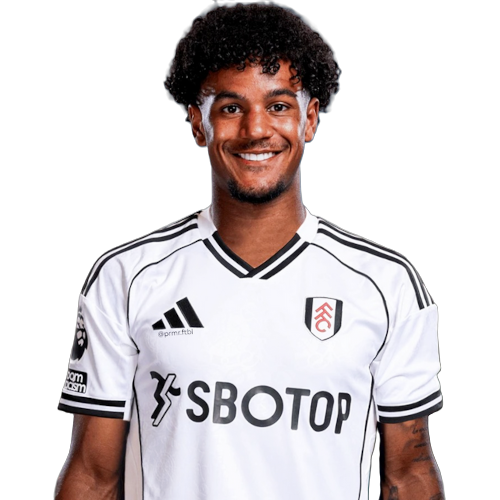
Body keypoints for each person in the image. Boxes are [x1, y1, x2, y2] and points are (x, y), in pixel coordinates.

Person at [55, 2, 445, 499]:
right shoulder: (127, 277)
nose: (256, 129)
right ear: (198, 124)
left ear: (309, 120)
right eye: (231, 108)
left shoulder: (386, 284)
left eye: (279, 106)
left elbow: (408, 473)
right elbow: (92, 476)